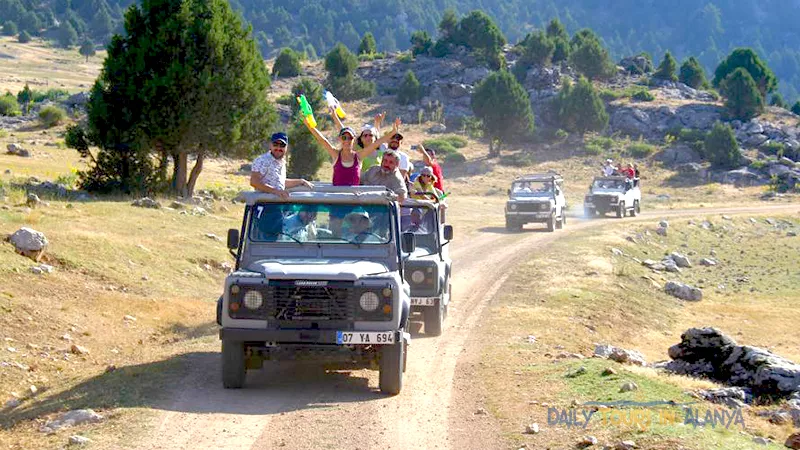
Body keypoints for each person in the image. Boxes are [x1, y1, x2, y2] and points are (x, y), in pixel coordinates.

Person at [304, 116, 397, 186]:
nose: (347, 140)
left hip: (353, 201)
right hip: (336, 200)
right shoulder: (335, 154)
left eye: (350, 138)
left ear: (354, 140)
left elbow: (376, 144)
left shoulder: (359, 156)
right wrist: (310, 127)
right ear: (340, 139)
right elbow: (322, 140)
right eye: (344, 137)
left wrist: (393, 132)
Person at [250, 132, 313, 199]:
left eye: (282, 145)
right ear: (270, 145)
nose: (278, 148)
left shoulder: (282, 163)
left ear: (286, 147)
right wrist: (276, 191)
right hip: (263, 204)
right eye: (275, 144)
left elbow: (280, 183)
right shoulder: (261, 160)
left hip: (278, 204)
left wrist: (301, 181)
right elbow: (254, 182)